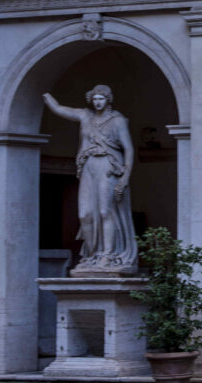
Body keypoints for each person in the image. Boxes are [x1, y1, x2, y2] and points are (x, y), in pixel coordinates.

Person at [43, 85, 138, 273]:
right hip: (88, 166)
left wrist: (125, 177)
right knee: (84, 214)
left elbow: (129, 149)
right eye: (95, 98)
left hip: (109, 165)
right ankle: (91, 255)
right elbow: (60, 109)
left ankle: (107, 255)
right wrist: (43, 93)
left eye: (101, 98)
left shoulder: (117, 121)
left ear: (108, 100)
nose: (98, 102)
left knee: (105, 211)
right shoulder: (85, 116)